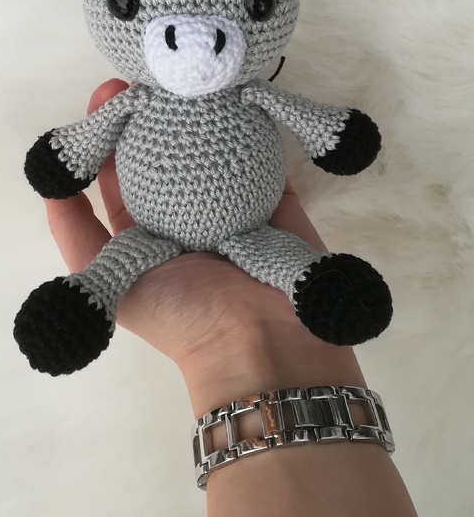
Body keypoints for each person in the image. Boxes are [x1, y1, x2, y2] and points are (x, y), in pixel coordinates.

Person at [40, 79, 419, 517]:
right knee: (113, 270)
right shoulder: (141, 101)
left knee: (295, 267)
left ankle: (321, 286)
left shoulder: (249, 92)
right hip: (158, 235)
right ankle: (89, 298)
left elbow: (330, 131)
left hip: (251, 233)